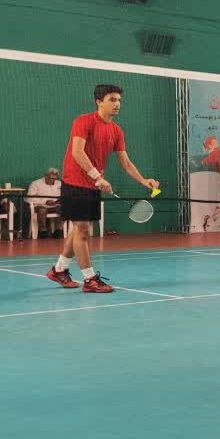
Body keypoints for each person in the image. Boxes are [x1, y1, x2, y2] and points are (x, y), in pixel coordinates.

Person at [47, 84, 158, 293]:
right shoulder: (83, 121)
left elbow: (126, 163)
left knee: (80, 230)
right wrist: (98, 176)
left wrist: (144, 181)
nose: (117, 104)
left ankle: (59, 269)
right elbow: (77, 152)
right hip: (75, 182)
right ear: (99, 102)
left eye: (119, 100)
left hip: (93, 184)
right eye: (112, 100)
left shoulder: (116, 130)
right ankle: (90, 280)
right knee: (82, 230)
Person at [26, 167, 64, 239]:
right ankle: (42, 231)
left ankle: (58, 231)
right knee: (42, 210)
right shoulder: (36, 183)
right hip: (40, 206)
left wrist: (60, 201)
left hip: (55, 205)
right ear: (45, 175)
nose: (52, 180)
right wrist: (45, 201)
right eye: (50, 178)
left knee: (64, 209)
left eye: (54, 179)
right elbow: (29, 198)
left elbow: (65, 195)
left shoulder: (60, 184)